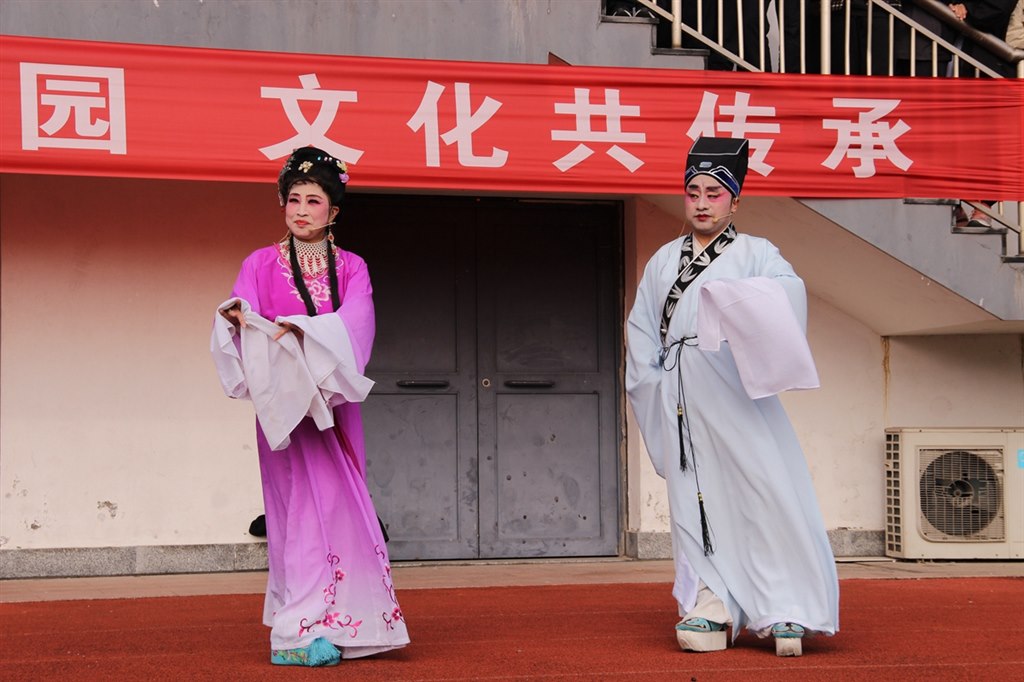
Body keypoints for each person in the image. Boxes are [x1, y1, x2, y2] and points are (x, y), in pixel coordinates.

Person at [625, 137, 839, 657]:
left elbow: (788, 298)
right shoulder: (662, 261)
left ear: (735, 201)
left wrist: (735, 302)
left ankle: (785, 606)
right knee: (693, 500)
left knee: (763, 492)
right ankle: (711, 603)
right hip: (680, 394)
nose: (702, 202)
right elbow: (642, 333)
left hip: (736, 390)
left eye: (714, 193)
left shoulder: (757, 254)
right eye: (693, 192)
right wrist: (653, 386)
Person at [211, 146, 409, 666]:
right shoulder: (258, 264)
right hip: (285, 412)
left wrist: (303, 331)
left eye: (313, 200)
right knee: (296, 510)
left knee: (340, 508)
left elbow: (357, 325)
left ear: (333, 211)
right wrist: (235, 319)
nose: (301, 210)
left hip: (333, 407)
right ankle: (294, 634)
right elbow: (242, 314)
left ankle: (343, 621)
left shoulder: (352, 267)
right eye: (293, 199)